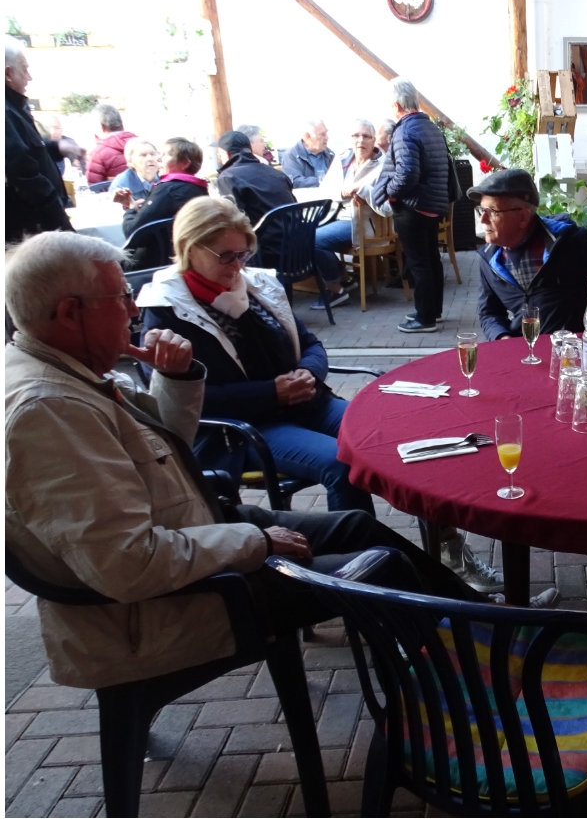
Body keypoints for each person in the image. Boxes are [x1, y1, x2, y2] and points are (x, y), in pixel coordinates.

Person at [4, 233, 555, 692]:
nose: (131, 311)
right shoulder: (47, 410)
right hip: (165, 610)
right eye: (120, 297)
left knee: (358, 525)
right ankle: (479, 683)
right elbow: (128, 565)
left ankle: (497, 635)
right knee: (382, 568)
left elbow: (167, 446)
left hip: (201, 530)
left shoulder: (70, 369)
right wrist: (255, 541)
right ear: (69, 312)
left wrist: (175, 377)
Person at [136, 197, 375, 515]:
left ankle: (431, 530)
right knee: (341, 463)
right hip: (242, 429)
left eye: (243, 254)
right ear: (188, 249)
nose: (237, 266)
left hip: (306, 404)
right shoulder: (166, 310)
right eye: (225, 256)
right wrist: (272, 393)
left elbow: (309, 343)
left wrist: (309, 372)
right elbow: (184, 400)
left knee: (379, 431)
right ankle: (359, 544)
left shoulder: (256, 286)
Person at [469, 167, 587, 341]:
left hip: (571, 351)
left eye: (492, 211)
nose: (483, 219)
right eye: (481, 210)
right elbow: (489, 313)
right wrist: (502, 338)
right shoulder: (490, 259)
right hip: (524, 349)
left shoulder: (570, 244)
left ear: (523, 217)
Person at [373, 78, 456, 334]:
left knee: (419, 262)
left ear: (397, 105)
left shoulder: (404, 131)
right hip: (433, 204)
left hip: (414, 207)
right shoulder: (429, 127)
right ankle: (433, 311)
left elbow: (407, 172)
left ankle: (425, 318)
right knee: (431, 259)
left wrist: (390, 193)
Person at [5, 37, 82, 241]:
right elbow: (21, 170)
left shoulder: (12, 108)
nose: (29, 77)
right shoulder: (6, 112)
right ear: (8, 74)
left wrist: (56, 147)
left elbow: (28, 150)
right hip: (31, 228)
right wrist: (60, 223)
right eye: (24, 69)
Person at [312, 118, 392, 308]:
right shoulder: (342, 159)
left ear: (374, 140)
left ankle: (335, 289)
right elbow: (324, 191)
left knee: (313, 240)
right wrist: (343, 192)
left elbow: (388, 208)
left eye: (366, 136)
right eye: (356, 136)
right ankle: (344, 279)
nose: (360, 140)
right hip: (336, 217)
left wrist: (364, 191)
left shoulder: (384, 164)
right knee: (300, 233)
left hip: (365, 225)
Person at [214, 129, 296, 263]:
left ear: (226, 155)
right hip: (299, 248)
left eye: (219, 154)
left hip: (265, 255)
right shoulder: (276, 173)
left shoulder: (228, 177)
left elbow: (233, 222)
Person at [121, 137, 209, 238]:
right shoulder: (199, 188)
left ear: (185, 163)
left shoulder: (167, 190)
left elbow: (131, 231)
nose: (158, 159)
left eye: (165, 155)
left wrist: (131, 208)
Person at [85, 104, 136, 185]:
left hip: (114, 192)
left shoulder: (98, 153)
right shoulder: (143, 145)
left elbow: (94, 187)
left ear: (101, 127)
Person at [110, 138, 161, 214]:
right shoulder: (121, 185)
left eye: (153, 154)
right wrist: (132, 208)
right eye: (143, 155)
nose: (150, 158)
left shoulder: (166, 177)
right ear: (130, 162)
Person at [282, 119, 333, 189]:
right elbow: (294, 182)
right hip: (308, 195)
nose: (327, 137)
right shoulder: (292, 155)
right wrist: (321, 182)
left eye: (326, 133)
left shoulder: (329, 154)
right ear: (307, 136)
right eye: (322, 134)